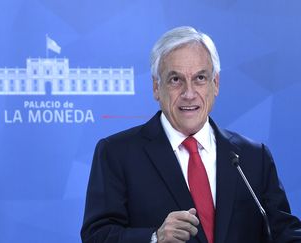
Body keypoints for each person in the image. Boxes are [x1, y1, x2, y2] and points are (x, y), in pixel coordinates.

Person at [81, 26, 301, 243]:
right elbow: (97, 236)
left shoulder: (254, 157)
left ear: (215, 84)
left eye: (200, 78)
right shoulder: (117, 153)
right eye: (175, 79)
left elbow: (283, 233)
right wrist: (154, 238)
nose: (189, 94)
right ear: (157, 87)